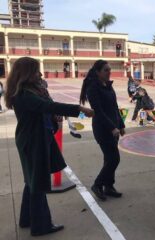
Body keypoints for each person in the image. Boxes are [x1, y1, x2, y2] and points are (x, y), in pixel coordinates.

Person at [4, 57, 94, 236]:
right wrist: (80, 109)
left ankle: (27, 219)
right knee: (37, 184)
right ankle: (41, 226)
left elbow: (47, 105)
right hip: (33, 141)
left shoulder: (28, 91)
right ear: (28, 74)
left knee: (31, 181)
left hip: (32, 139)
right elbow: (49, 106)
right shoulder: (25, 95)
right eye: (37, 71)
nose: (41, 74)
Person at [79, 60, 126, 200]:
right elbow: (98, 111)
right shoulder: (93, 88)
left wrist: (121, 124)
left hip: (115, 128)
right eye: (106, 70)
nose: (109, 72)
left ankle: (108, 186)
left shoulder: (108, 85)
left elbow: (115, 106)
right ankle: (97, 184)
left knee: (109, 158)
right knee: (114, 159)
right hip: (103, 129)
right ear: (97, 72)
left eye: (109, 69)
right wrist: (112, 128)